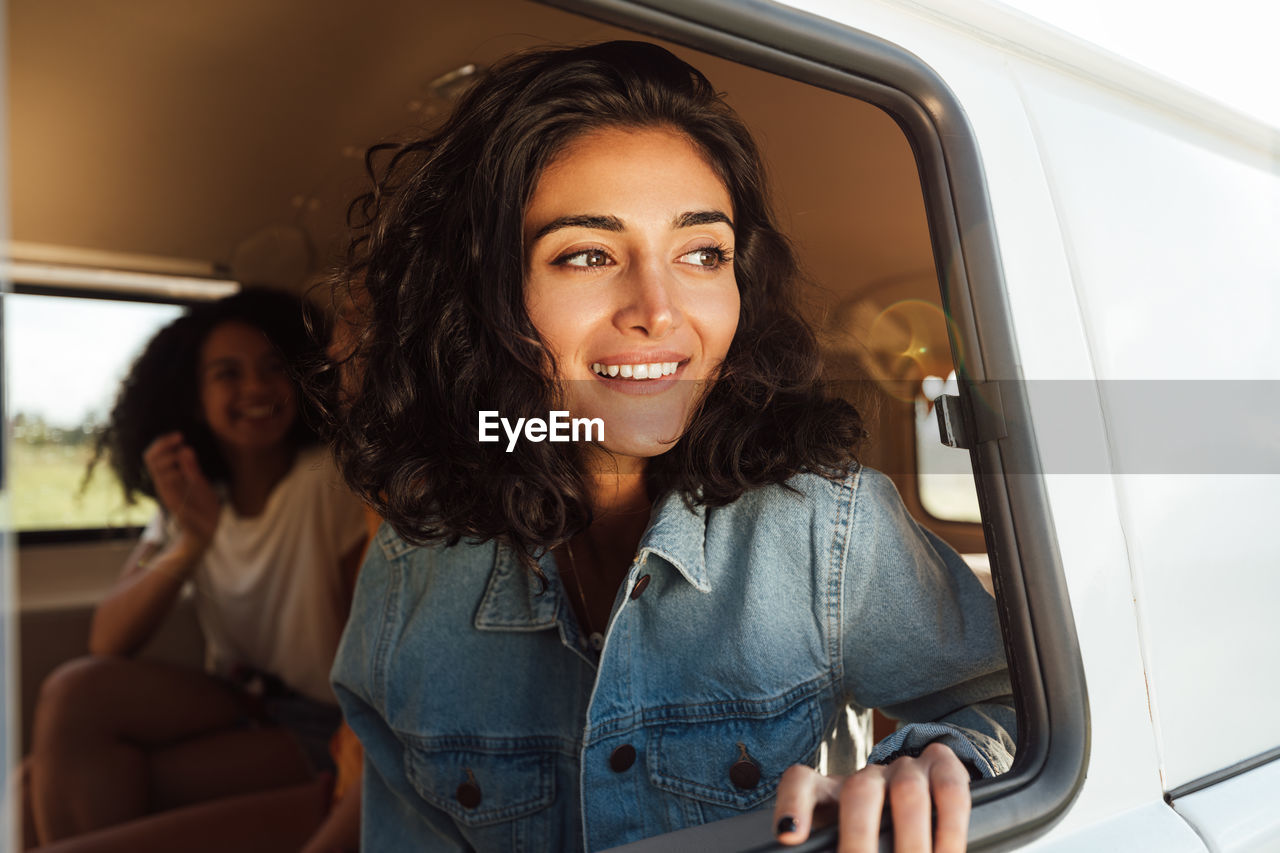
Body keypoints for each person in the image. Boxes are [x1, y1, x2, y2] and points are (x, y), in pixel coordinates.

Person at [322, 41, 1015, 853]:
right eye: (587, 254)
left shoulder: (829, 524)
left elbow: (1010, 703)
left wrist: (931, 762)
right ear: (486, 296)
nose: (659, 308)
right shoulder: (411, 567)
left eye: (701, 253)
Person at [25, 289, 369, 850]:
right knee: (73, 692)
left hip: (316, 717)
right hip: (238, 698)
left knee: (36, 783)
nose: (255, 388)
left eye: (274, 369)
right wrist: (190, 541)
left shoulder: (324, 481)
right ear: (194, 399)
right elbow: (106, 641)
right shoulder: (194, 497)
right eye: (227, 375)